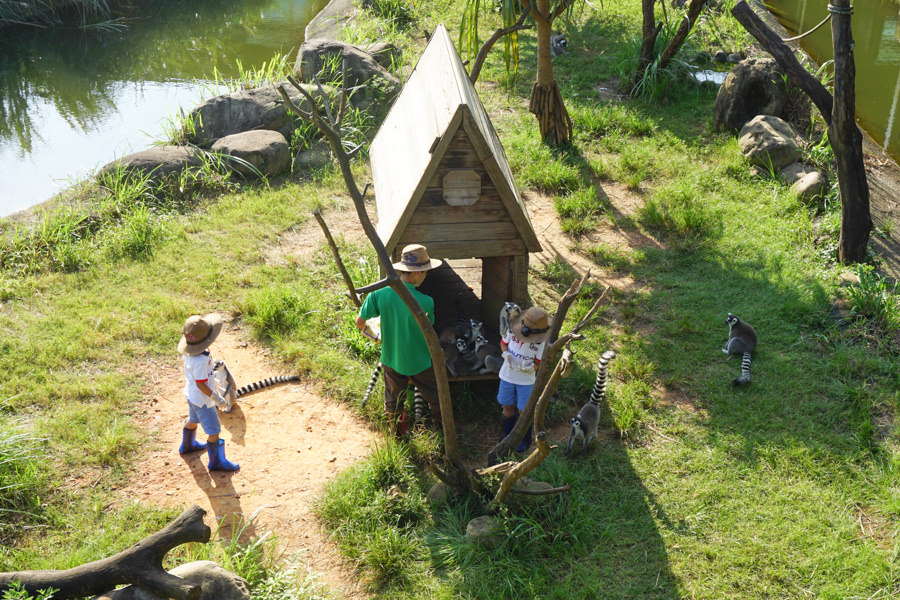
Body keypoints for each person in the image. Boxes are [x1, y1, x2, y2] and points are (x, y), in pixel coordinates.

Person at [355, 244, 443, 436]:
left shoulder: (378, 294)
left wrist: (375, 335)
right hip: (420, 361)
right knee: (437, 397)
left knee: (394, 400)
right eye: (425, 272)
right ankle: (442, 431)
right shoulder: (427, 301)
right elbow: (431, 327)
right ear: (418, 274)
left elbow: (360, 322)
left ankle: (397, 435)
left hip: (391, 359)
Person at [177, 313, 240, 472]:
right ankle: (216, 462)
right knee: (214, 431)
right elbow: (201, 384)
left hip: (192, 396)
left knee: (193, 418)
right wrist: (217, 398)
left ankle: (188, 445)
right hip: (203, 399)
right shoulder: (200, 360)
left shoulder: (190, 354)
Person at [498, 306, 550, 452]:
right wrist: (506, 354)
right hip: (508, 375)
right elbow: (504, 343)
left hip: (526, 381)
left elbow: (538, 363)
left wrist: (531, 368)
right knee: (507, 406)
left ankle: (524, 440)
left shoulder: (540, 342)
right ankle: (507, 435)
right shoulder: (512, 329)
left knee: (523, 411)